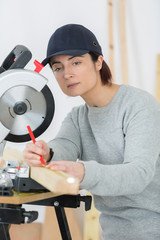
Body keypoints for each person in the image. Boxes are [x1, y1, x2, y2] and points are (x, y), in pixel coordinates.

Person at [23, 24, 160, 240]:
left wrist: (84, 172)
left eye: (76, 62)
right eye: (58, 67)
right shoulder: (78, 117)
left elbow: (138, 175)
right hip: (112, 234)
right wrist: (46, 152)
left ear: (98, 61)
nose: (67, 74)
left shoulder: (138, 105)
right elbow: (65, 145)